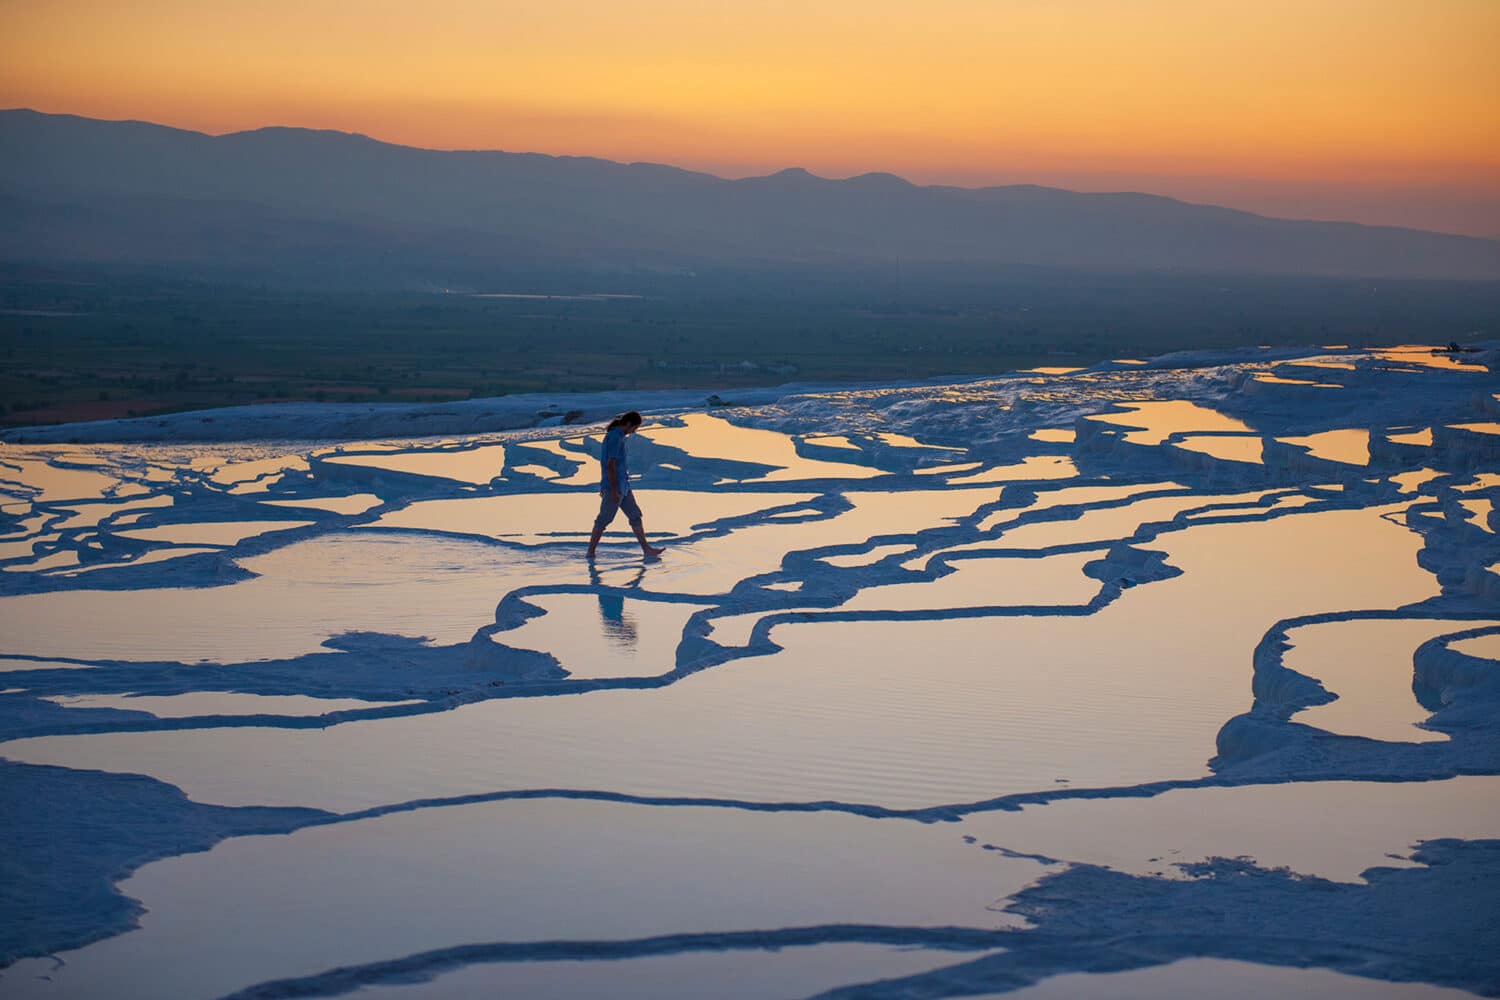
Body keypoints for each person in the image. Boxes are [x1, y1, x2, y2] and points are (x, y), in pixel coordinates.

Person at [586, 410, 663, 560]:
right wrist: (613, 489)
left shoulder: (619, 437)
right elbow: (610, 465)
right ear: (628, 424)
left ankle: (646, 549)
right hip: (614, 486)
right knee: (604, 519)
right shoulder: (614, 437)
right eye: (634, 428)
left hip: (624, 486)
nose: (634, 431)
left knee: (635, 515)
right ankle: (590, 552)